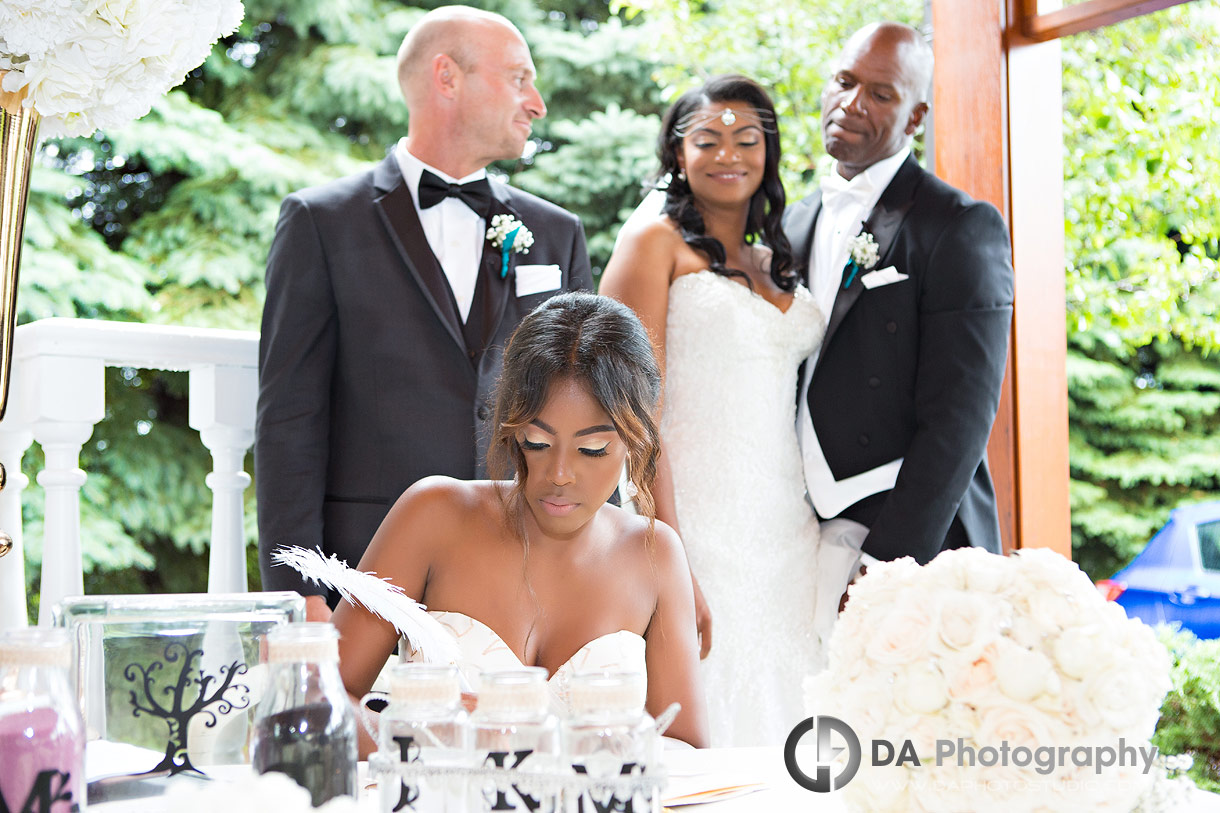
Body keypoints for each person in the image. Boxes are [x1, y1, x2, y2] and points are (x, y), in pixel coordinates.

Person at [255, 5, 593, 621]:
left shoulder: (555, 233)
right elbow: (290, 417)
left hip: (528, 569)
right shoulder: (321, 222)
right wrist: (300, 588)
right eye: (520, 78)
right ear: (447, 77)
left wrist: (599, 563)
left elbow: (585, 407)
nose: (537, 102)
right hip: (368, 574)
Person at [333, 292, 708, 752]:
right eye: (537, 441)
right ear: (511, 428)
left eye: (592, 450)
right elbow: (321, 699)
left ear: (636, 438)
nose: (559, 474)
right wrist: (428, 740)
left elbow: (688, 755)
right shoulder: (432, 516)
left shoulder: (654, 553)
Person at [599, 75, 824, 746]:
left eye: (747, 138)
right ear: (678, 154)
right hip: (697, 519)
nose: (730, 154)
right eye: (708, 140)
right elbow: (631, 413)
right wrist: (667, 547)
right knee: (711, 687)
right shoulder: (653, 244)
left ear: (768, 152)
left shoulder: (777, 260)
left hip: (790, 525)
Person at [785, 22, 1014, 612]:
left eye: (881, 94)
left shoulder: (959, 226)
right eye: (843, 81)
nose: (851, 103)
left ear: (916, 118)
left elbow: (961, 418)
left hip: (916, 542)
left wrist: (889, 565)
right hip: (801, 531)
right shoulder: (794, 223)